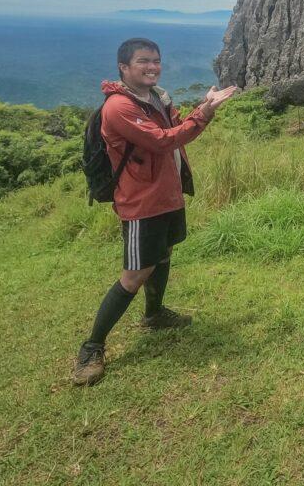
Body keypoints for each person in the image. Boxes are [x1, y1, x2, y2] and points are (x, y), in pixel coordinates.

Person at [72, 37, 237, 386]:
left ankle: (154, 314)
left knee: (162, 255)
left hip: (167, 195)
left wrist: (201, 106)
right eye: (143, 61)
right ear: (124, 67)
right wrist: (205, 112)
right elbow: (164, 141)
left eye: (156, 60)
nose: (151, 66)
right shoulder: (119, 108)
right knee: (134, 275)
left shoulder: (157, 97)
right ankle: (92, 347)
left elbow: (174, 126)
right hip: (142, 203)